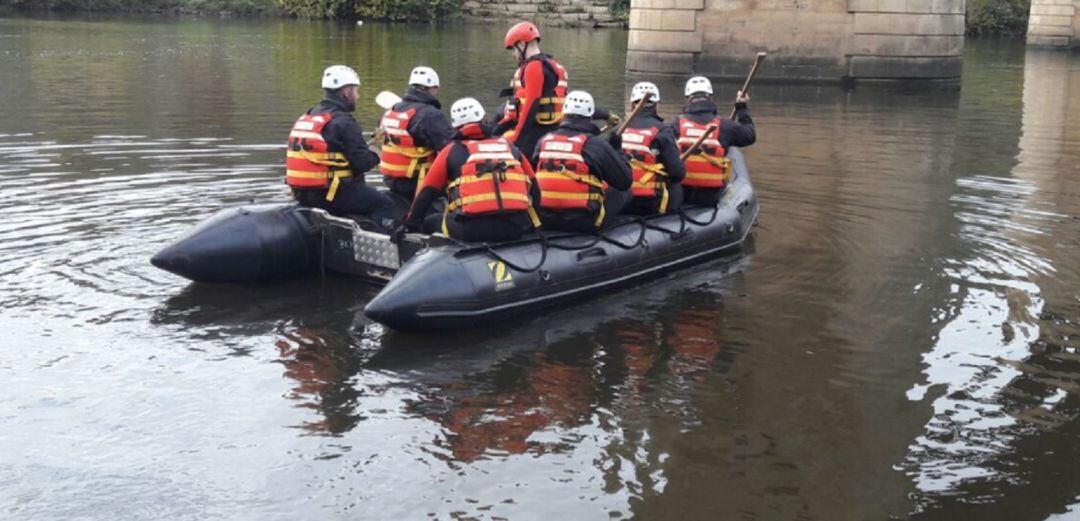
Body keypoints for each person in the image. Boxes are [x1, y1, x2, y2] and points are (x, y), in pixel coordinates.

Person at [403, 98, 541, 243]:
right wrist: (534, 226)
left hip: (471, 230)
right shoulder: (509, 147)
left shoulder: (450, 151)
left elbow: (426, 193)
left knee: (431, 221)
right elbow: (535, 188)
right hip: (514, 229)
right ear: (484, 118)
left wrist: (410, 224)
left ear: (455, 126)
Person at [285, 65, 402, 228]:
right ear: (346, 92)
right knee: (385, 204)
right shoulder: (344, 122)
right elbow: (362, 163)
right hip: (329, 195)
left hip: (301, 194)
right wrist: (376, 153)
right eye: (356, 91)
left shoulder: (309, 115)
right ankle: (383, 245)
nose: (357, 96)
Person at [531, 90, 632, 232]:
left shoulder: (543, 140)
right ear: (590, 118)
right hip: (582, 221)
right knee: (623, 192)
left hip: (544, 218)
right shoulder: (595, 144)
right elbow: (624, 182)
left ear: (564, 114)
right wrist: (617, 150)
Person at [675, 76, 756, 206]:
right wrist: (742, 108)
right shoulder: (725, 125)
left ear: (688, 99)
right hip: (711, 195)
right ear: (710, 98)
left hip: (682, 193)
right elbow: (749, 135)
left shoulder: (675, 125)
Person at [378, 66, 454, 201]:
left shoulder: (392, 111)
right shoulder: (430, 115)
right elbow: (450, 148)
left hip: (391, 179)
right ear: (432, 88)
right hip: (416, 181)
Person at [498, 21, 569, 161]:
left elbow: (532, 105)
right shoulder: (552, 64)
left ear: (522, 45)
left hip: (535, 134)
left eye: (514, 49)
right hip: (552, 128)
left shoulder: (533, 67)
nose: (514, 54)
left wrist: (517, 139)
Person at [618, 81, 686, 215]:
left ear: (633, 105)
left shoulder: (618, 130)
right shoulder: (663, 131)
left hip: (621, 202)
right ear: (656, 105)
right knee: (677, 187)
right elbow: (677, 174)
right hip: (649, 202)